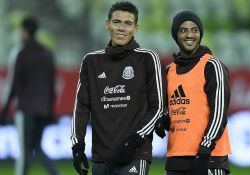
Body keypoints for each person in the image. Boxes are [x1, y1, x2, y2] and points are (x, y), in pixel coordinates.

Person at [70, 1, 165, 175]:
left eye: (128, 23)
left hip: (135, 153)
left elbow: (158, 107)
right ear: (107, 24)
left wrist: (135, 141)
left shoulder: (148, 59)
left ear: (136, 28)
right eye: (117, 22)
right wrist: (77, 145)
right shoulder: (91, 61)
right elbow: (81, 107)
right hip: (101, 156)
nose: (122, 28)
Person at [155, 11, 231, 175]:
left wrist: (205, 149)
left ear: (200, 34)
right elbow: (171, 109)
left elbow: (219, 113)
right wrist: (164, 121)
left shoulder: (212, 66)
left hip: (209, 157)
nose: (190, 35)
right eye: (183, 30)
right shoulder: (169, 71)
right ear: (175, 35)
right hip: (176, 157)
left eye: (194, 30)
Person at [0, 16, 58, 175]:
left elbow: (14, 85)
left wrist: (4, 111)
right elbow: (51, 84)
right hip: (43, 110)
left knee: (25, 151)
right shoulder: (47, 53)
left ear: (24, 31)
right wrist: (51, 110)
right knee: (36, 147)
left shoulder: (21, 52)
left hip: (26, 110)